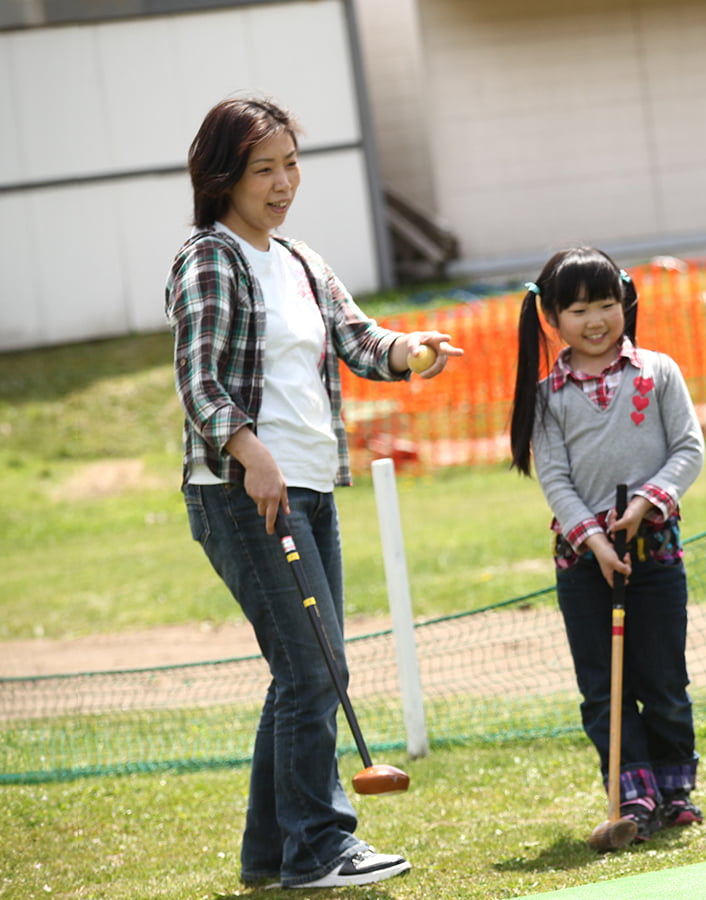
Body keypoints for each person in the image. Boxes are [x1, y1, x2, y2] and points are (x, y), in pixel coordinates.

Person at [167, 96, 462, 889]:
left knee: (307, 669)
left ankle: (270, 855)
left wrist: (413, 352)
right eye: (264, 168)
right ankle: (320, 847)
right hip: (245, 492)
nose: (282, 182)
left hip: (310, 488)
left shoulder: (298, 260)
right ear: (223, 175)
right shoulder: (209, 259)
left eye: (291, 163)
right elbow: (199, 384)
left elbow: (360, 339)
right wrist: (250, 452)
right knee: (314, 670)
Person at [509, 247, 706, 844]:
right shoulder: (549, 396)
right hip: (584, 561)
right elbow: (557, 482)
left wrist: (647, 501)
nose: (595, 320)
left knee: (663, 678)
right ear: (552, 318)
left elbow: (688, 449)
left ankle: (674, 791)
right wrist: (594, 540)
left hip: (655, 551)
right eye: (578, 309)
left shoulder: (658, 371)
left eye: (605, 304)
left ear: (626, 303)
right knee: (604, 686)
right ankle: (633, 795)